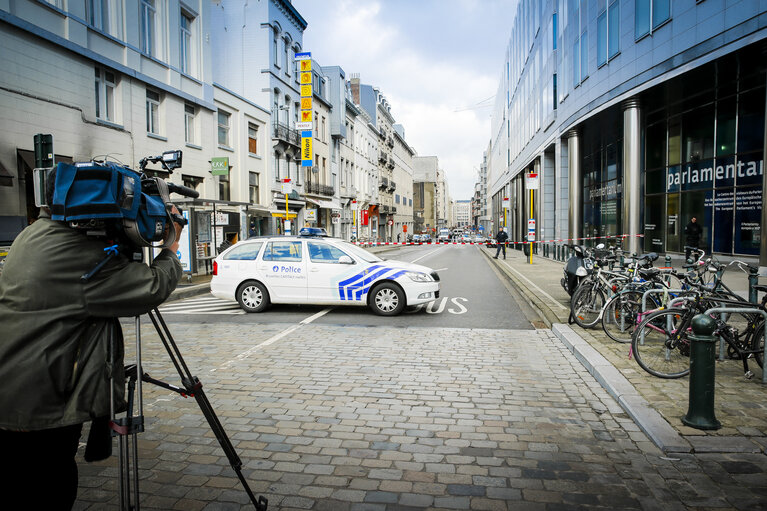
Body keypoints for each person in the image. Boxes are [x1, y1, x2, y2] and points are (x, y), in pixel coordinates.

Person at [0, 193, 184, 509]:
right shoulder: (83, 255)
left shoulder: (35, 233)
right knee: (47, 487)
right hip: (42, 402)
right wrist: (171, 245)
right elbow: (151, 287)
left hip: (16, 385)